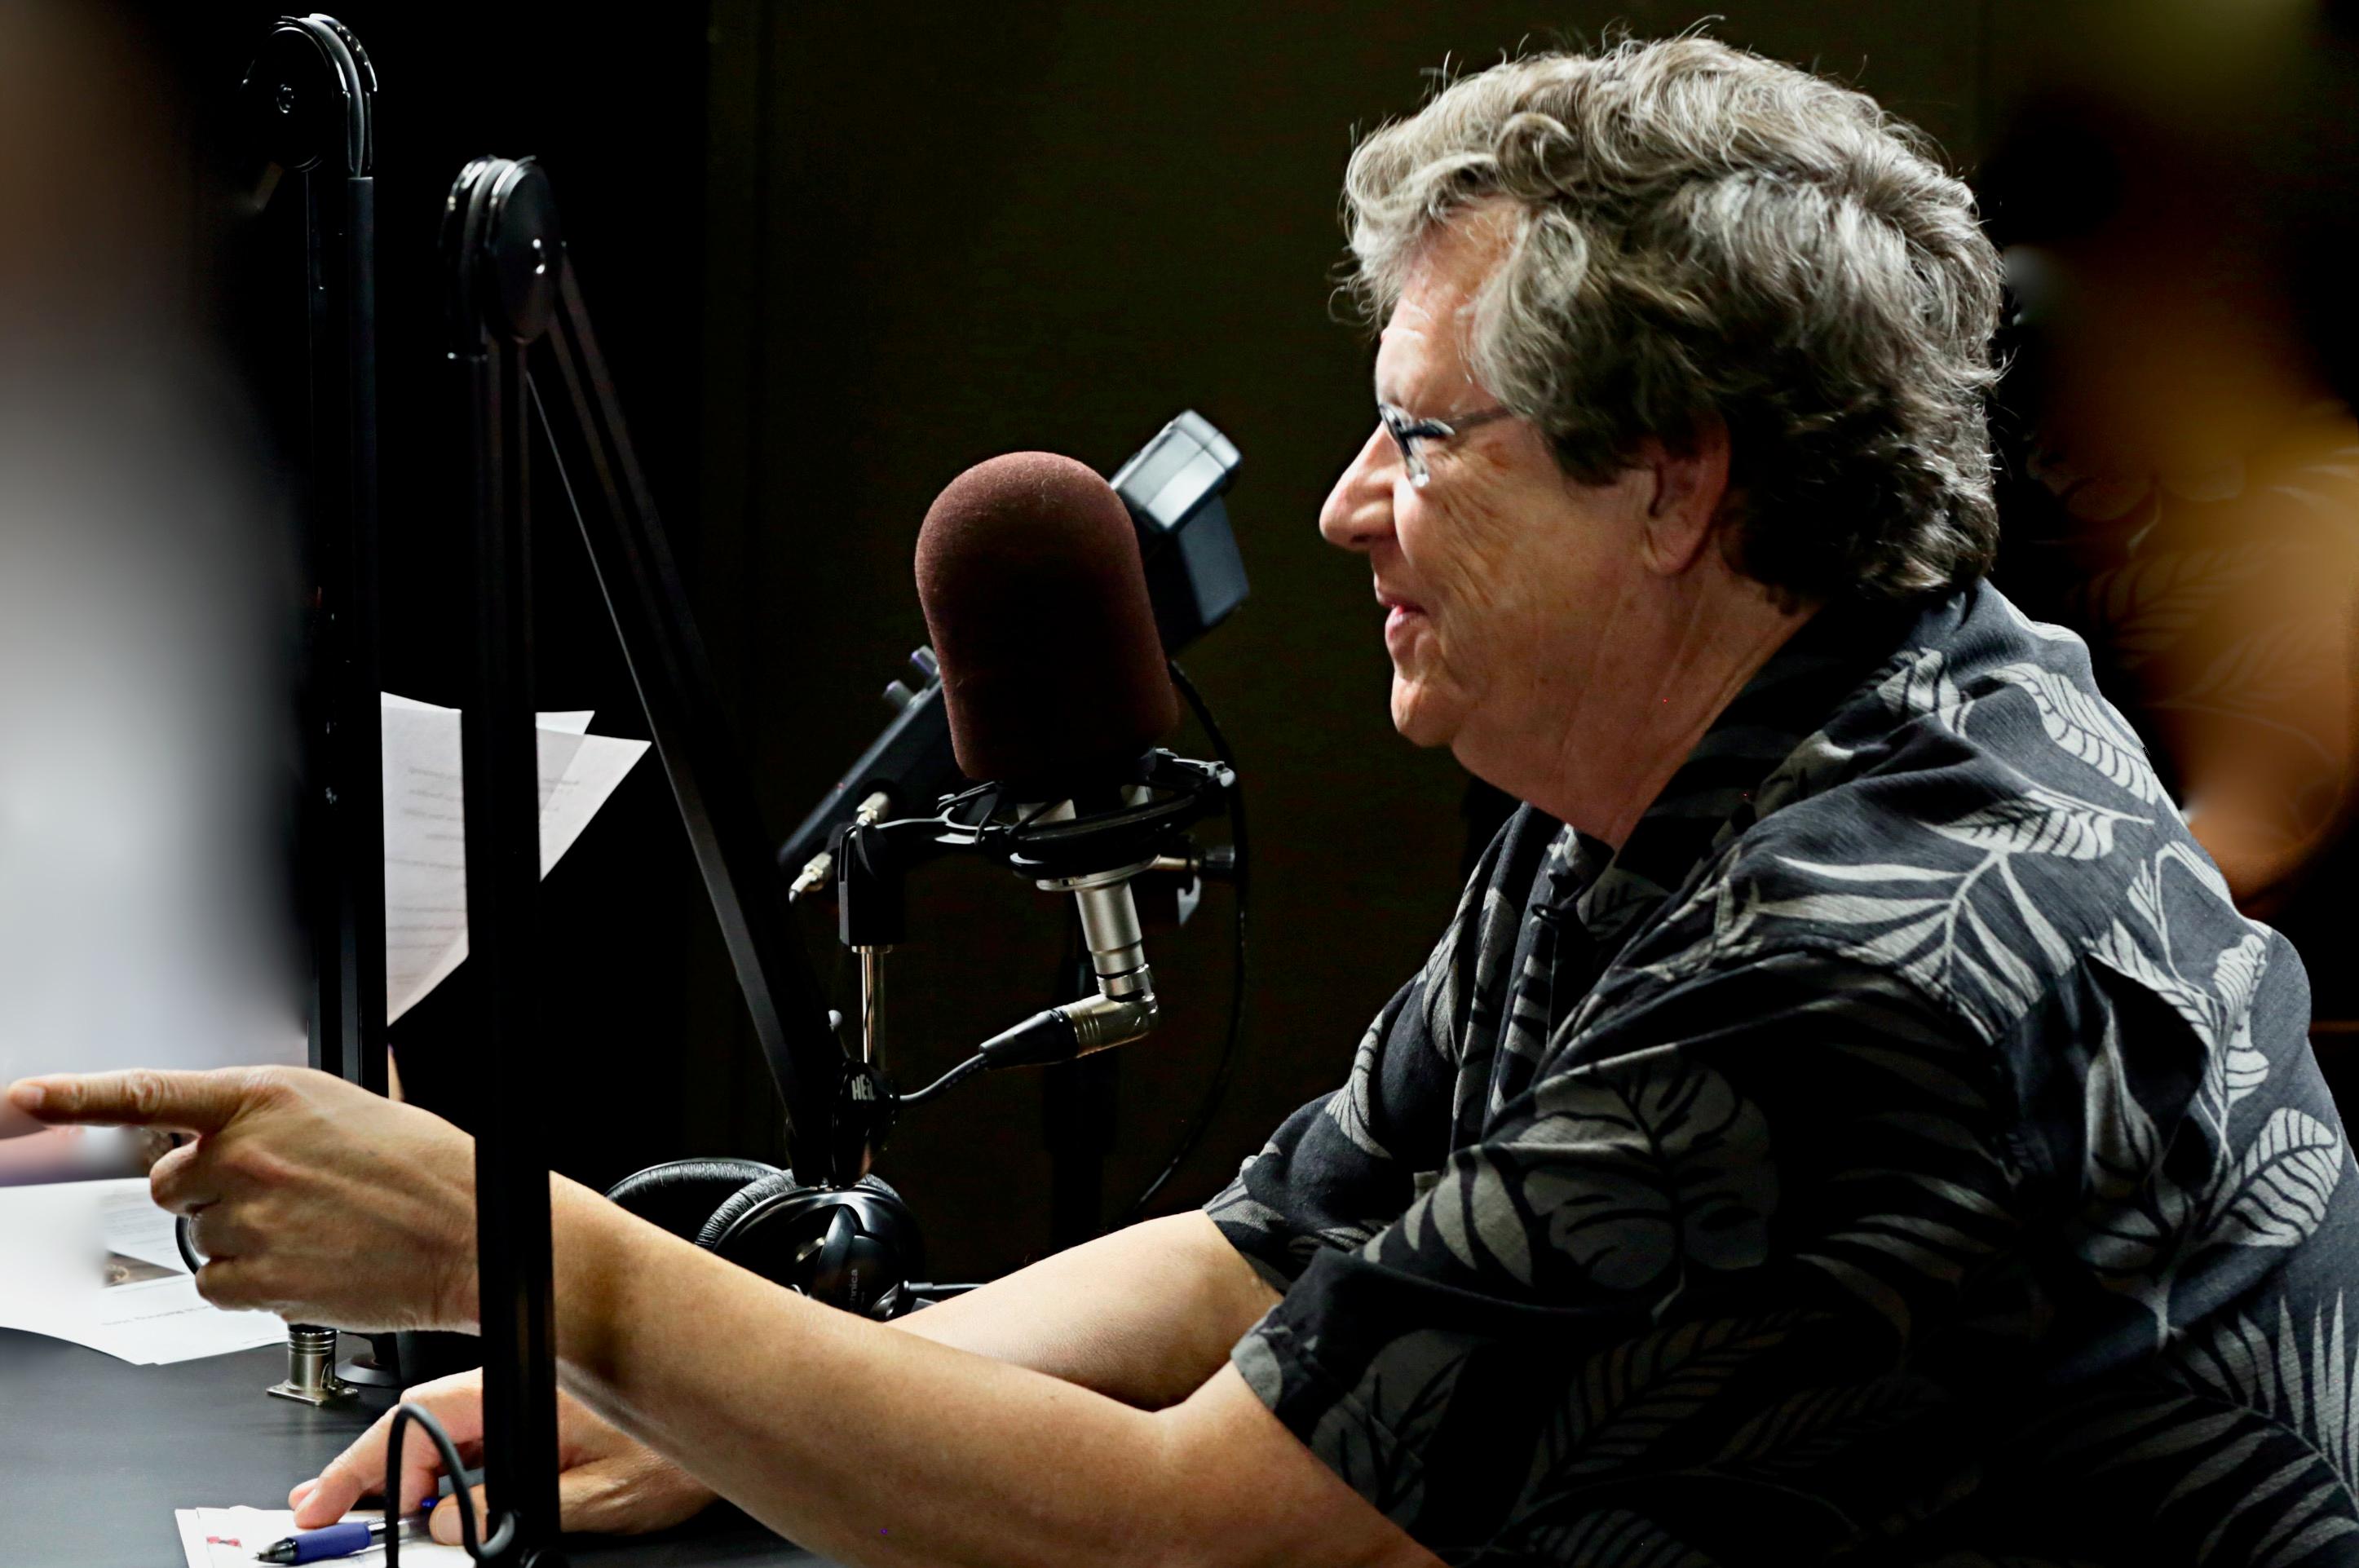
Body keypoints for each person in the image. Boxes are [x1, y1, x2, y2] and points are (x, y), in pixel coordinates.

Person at [14, 37, 2359, 1566]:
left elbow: (1186, 1535)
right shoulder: (1772, 738)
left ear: (1676, 481)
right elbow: (1267, 1237)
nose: (1348, 506)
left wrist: (523, 1254)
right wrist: (717, 1400)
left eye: (1426, 438)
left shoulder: (1854, 966)